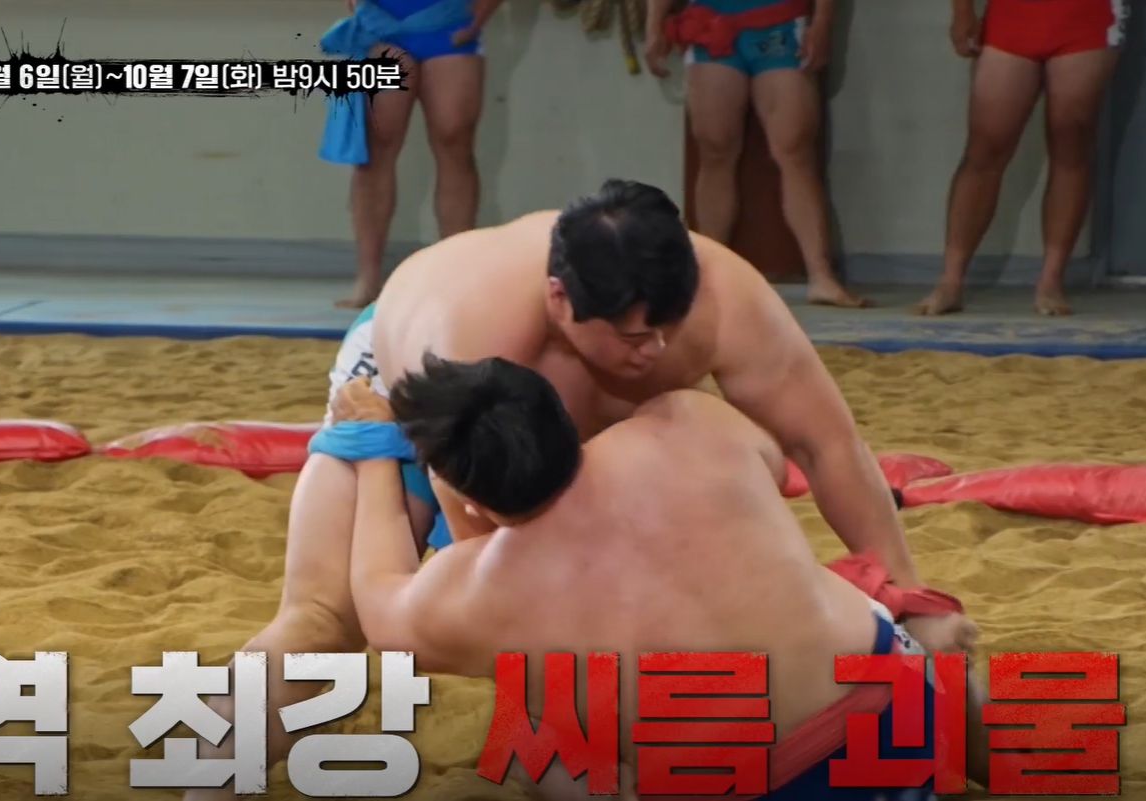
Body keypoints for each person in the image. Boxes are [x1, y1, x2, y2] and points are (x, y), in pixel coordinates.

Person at [183, 180, 974, 801]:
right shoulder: (469, 336)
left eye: (667, 329)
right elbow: (489, 574)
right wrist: (369, 452)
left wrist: (911, 594)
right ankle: (203, 774)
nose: (654, 350)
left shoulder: (719, 302)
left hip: (576, 454)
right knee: (324, 622)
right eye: (632, 336)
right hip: (405, 399)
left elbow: (824, 443)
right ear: (560, 303)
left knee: (596, 664)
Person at [330, 359, 989, 799]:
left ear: (469, 497)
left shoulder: (469, 594)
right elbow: (769, 466)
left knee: (530, 719)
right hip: (902, 724)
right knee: (814, 580)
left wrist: (373, 449)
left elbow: (376, 592)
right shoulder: (690, 422)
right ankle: (986, 745)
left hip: (767, 787)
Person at [644, 0, 868, 308]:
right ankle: (706, 276)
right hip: (711, 23)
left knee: (795, 148)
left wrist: (822, 24)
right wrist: (653, 25)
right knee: (714, 148)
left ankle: (821, 275)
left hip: (782, 22)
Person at [915, 0, 1126, 317]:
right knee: (985, 147)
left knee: (1071, 143)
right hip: (1012, 15)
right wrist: (962, 12)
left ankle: (1051, 281)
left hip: (1087, 16)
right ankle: (950, 281)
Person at [327, 0, 505, 309]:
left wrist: (475, 20)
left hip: (449, 22)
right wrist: (363, 14)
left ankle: (457, 275)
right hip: (382, 25)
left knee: (454, 143)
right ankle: (367, 278)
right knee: (375, 150)